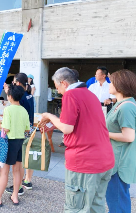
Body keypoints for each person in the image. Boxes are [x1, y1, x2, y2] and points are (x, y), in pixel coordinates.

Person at [40, 67, 115, 212]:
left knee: (76, 208)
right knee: (96, 206)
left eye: (58, 87)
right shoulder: (90, 94)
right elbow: (83, 124)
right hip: (104, 159)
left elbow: (68, 128)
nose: (59, 91)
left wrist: (50, 116)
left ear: (64, 83)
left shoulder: (70, 95)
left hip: (85, 162)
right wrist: (56, 125)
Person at [0, 84, 30, 207]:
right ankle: (15, 196)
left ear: (9, 97)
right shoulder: (24, 110)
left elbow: (6, 129)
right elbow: (27, 129)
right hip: (20, 142)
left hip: (9, 142)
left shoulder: (8, 110)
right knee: (17, 171)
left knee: (4, 171)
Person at [105, 69, 136, 213]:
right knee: (116, 199)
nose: (109, 85)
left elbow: (129, 136)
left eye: (111, 82)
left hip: (119, 162)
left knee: (117, 201)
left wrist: (104, 133)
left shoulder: (127, 106)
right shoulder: (121, 104)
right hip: (114, 158)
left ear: (120, 85)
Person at [4, 73, 34, 196]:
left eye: (14, 82)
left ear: (18, 82)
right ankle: (27, 181)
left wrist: (8, 93)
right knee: (25, 158)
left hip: (20, 133)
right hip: (29, 128)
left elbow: (14, 105)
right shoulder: (29, 95)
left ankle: (19, 187)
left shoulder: (20, 97)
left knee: (19, 163)